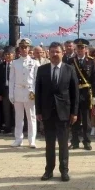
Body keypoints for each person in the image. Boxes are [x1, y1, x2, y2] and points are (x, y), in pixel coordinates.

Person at [35, 42, 78, 182]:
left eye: (57, 52)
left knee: (63, 143)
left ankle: (64, 170)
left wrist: (74, 113)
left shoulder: (69, 69)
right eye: (52, 51)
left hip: (64, 113)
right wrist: (38, 111)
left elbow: (74, 93)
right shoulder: (42, 70)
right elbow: (38, 92)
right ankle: (49, 170)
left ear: (62, 53)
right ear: (48, 53)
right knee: (49, 143)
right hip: (47, 112)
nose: (54, 54)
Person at [9, 38, 38, 148]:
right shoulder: (14, 63)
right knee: (19, 117)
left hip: (30, 91)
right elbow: (11, 79)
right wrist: (11, 94)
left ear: (29, 48)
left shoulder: (35, 63)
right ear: (19, 49)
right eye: (22, 47)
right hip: (18, 91)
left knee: (31, 117)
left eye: (26, 47)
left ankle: (32, 140)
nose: (24, 49)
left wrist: (35, 92)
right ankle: (18, 139)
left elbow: (36, 79)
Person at [70, 38, 95, 150]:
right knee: (75, 118)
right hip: (74, 92)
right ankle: (75, 141)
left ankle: (87, 141)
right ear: (75, 49)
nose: (80, 50)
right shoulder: (71, 61)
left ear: (86, 49)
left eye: (82, 47)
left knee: (86, 120)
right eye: (78, 47)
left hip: (86, 93)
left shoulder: (91, 61)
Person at [0, 47, 15, 134]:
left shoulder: (16, 65)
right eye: (6, 54)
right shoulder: (0, 66)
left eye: (9, 54)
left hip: (15, 90)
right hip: (5, 90)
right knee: (6, 109)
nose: (7, 56)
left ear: (13, 55)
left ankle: (17, 127)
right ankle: (7, 127)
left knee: (16, 110)